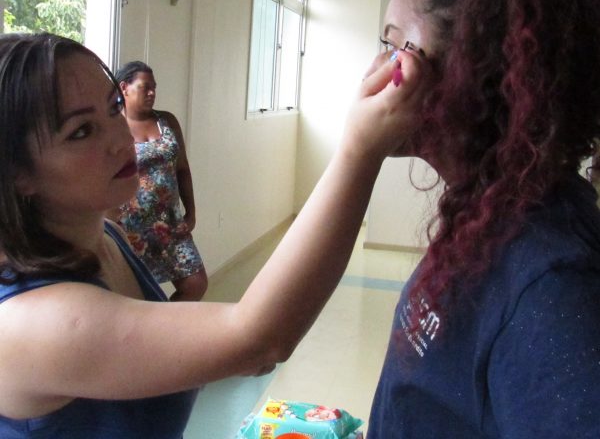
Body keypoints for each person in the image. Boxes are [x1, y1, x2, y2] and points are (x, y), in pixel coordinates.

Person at [0, 31, 418, 438]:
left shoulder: (108, 236)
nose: (120, 137)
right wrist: (360, 149)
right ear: (17, 172)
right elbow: (261, 341)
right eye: (81, 131)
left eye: (113, 108)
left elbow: (245, 349)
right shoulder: (36, 323)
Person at [367, 0, 600, 437]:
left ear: (469, 73)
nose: (377, 68)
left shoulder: (553, 287)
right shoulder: (483, 211)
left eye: (397, 48)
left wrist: (359, 151)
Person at [111, 60, 206, 301]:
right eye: (145, 87)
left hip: (169, 224)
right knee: (136, 296)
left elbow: (182, 169)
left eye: (154, 87)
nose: (152, 92)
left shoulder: (167, 121)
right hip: (129, 228)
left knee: (196, 283)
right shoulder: (113, 126)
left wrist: (191, 212)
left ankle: (165, 322)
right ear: (124, 88)